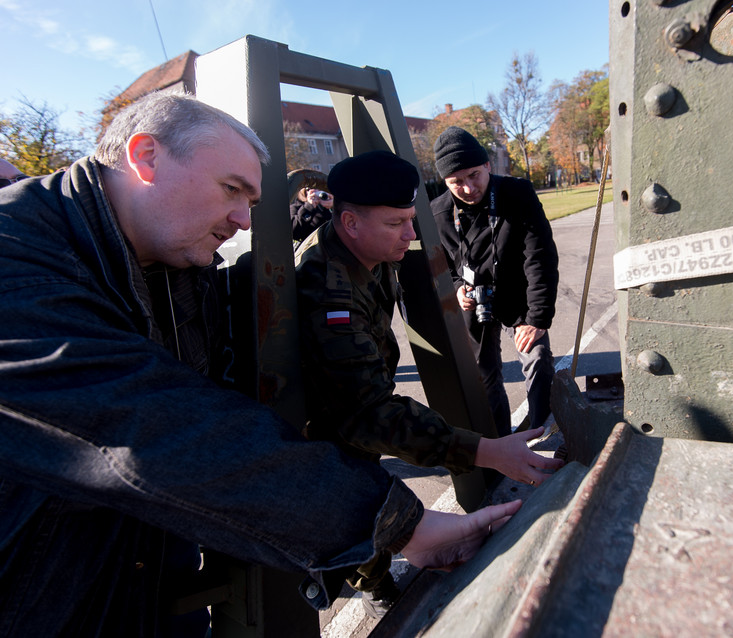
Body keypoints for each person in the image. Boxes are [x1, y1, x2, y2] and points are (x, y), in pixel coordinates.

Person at [0, 92, 521, 637]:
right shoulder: (19, 264)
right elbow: (154, 430)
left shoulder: (170, 256)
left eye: (250, 200)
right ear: (145, 156)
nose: (244, 221)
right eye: (232, 190)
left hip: (138, 580)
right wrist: (398, 524)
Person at [296, 150, 563, 617]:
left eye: (410, 219)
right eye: (396, 222)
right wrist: (486, 450)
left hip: (352, 405)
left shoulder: (366, 247)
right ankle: (371, 583)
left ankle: (377, 573)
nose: (411, 233)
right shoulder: (327, 289)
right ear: (351, 222)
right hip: (320, 426)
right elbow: (368, 414)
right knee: (349, 495)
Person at [430, 127, 560, 438]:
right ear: (444, 182)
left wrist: (537, 318)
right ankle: (500, 439)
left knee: (537, 358)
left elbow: (540, 257)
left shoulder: (518, 194)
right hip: (475, 301)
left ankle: (542, 429)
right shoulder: (437, 213)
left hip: (519, 294)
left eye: (474, 175)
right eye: (456, 181)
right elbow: (441, 268)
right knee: (482, 374)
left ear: (487, 165)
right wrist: (456, 287)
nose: (468, 187)